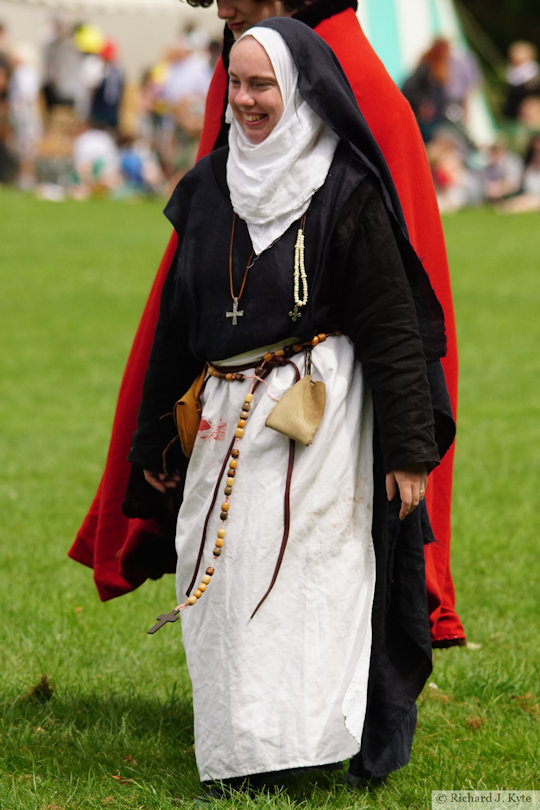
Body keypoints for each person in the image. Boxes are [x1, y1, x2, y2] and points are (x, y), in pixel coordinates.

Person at [69, 0, 465, 659]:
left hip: (328, 393)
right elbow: (199, 262)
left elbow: (394, 307)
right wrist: (161, 429)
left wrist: (404, 434)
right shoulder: (252, 59)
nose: (223, 8)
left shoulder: (355, 83)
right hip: (232, 376)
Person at [127, 18, 454, 790]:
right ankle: (240, 748)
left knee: (308, 583)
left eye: (261, 85)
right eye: (235, 83)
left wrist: (409, 449)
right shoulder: (209, 188)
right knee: (225, 587)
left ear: (300, 87)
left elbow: (392, 325)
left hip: (322, 421)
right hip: (222, 417)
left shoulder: (344, 186)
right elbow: (177, 329)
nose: (243, 100)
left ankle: (298, 747)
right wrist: (155, 444)